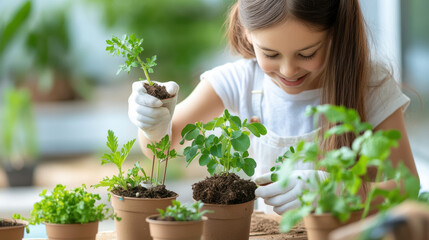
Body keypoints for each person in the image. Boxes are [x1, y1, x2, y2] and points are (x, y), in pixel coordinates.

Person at [128, 0, 419, 215]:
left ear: (335, 33)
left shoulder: (368, 84)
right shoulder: (237, 82)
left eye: (307, 53)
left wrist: (341, 189)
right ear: (247, 34)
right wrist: (153, 123)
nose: (288, 70)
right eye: (270, 54)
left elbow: (406, 186)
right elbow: (165, 147)